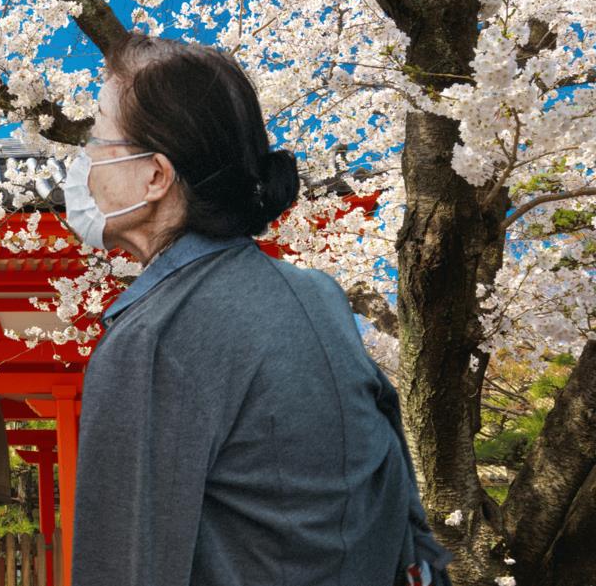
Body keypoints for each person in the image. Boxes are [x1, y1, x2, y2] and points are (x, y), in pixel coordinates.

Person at [66, 35, 451, 586]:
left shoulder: (157, 336)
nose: (85, 160)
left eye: (98, 136)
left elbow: (125, 562)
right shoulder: (319, 296)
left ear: (154, 176)